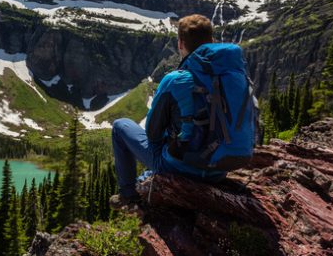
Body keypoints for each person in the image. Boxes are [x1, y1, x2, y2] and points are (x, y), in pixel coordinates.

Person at [110, 14, 257, 207]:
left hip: (182, 166)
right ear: (211, 41)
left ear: (180, 44)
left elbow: (152, 134)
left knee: (121, 126)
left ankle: (128, 195)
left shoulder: (176, 79)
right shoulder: (237, 75)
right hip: (221, 167)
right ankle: (148, 178)